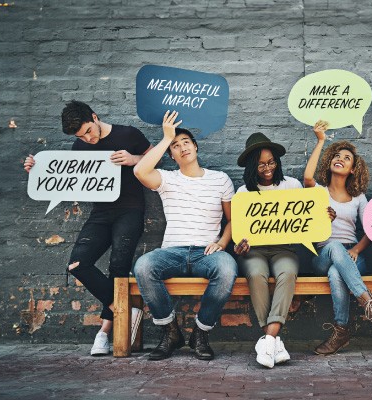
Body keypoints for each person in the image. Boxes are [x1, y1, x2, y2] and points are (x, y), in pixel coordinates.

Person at [24, 101, 152, 356]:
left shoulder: (128, 134)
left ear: (95, 117)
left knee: (118, 267)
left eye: (88, 131)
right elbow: (67, 178)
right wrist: (36, 169)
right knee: (77, 264)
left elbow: (155, 158)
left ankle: (104, 333)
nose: (88, 138)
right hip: (101, 213)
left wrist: (134, 158)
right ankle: (124, 308)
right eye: (81, 136)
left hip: (130, 209)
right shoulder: (79, 145)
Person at [132, 110, 237, 361]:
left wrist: (222, 242)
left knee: (227, 269)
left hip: (206, 252)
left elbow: (234, 219)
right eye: (176, 146)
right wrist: (166, 138)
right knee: (144, 266)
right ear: (171, 154)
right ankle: (171, 332)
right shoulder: (167, 179)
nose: (182, 148)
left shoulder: (220, 179)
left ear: (196, 146)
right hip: (172, 251)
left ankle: (200, 333)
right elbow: (139, 171)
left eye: (186, 142)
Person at [304, 120, 372, 355]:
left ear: (353, 169)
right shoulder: (319, 192)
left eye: (347, 157)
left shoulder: (359, 197)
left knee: (336, 272)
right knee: (333, 248)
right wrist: (321, 140)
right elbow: (307, 177)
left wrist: (357, 250)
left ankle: (340, 331)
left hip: (352, 254)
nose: (340, 158)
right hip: (322, 253)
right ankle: (368, 303)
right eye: (337, 155)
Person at [233, 132, 301, 368]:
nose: (267, 167)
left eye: (271, 162)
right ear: (253, 166)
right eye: (261, 163)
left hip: (285, 249)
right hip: (255, 251)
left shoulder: (292, 186)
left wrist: (322, 217)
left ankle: (268, 339)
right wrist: (240, 248)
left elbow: (305, 221)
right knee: (255, 274)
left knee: (287, 273)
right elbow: (238, 233)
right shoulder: (244, 193)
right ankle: (274, 342)